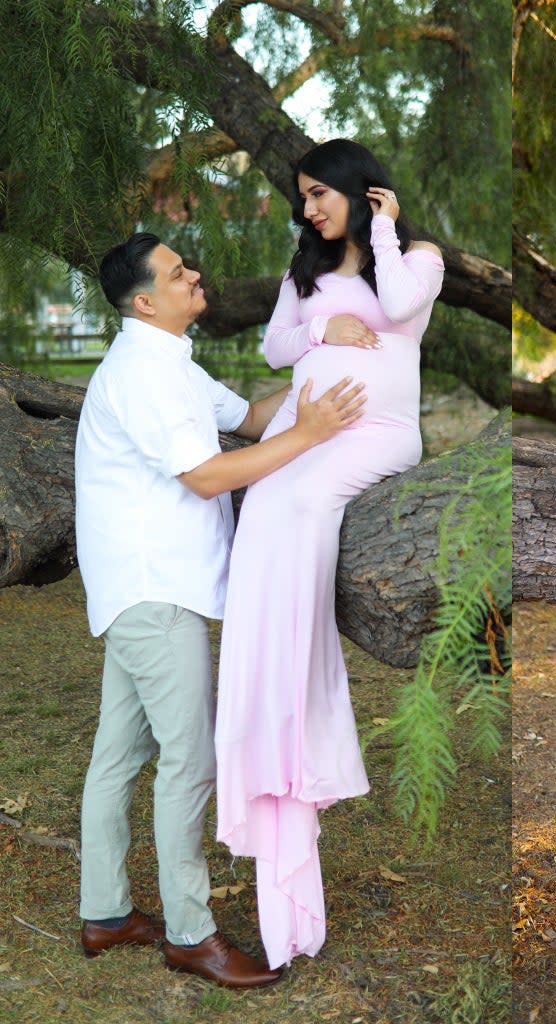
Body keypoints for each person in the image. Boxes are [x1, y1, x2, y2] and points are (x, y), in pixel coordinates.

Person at [75, 232, 366, 988]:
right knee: (187, 762)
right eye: (178, 273)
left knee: (120, 755)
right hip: (154, 591)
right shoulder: (142, 373)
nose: (194, 275)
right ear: (146, 300)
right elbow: (207, 476)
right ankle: (190, 932)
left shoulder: (167, 361)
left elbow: (248, 416)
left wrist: (321, 353)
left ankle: (106, 914)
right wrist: (308, 436)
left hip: (144, 588)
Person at [214, 139, 444, 970]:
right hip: (298, 433)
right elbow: (277, 347)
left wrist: (382, 231)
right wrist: (322, 326)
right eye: (302, 197)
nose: (309, 209)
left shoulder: (416, 254)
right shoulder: (303, 273)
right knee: (268, 502)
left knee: (305, 500)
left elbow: (404, 305)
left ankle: (300, 702)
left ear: (361, 189)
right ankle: (264, 699)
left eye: (320, 194)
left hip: (375, 436)